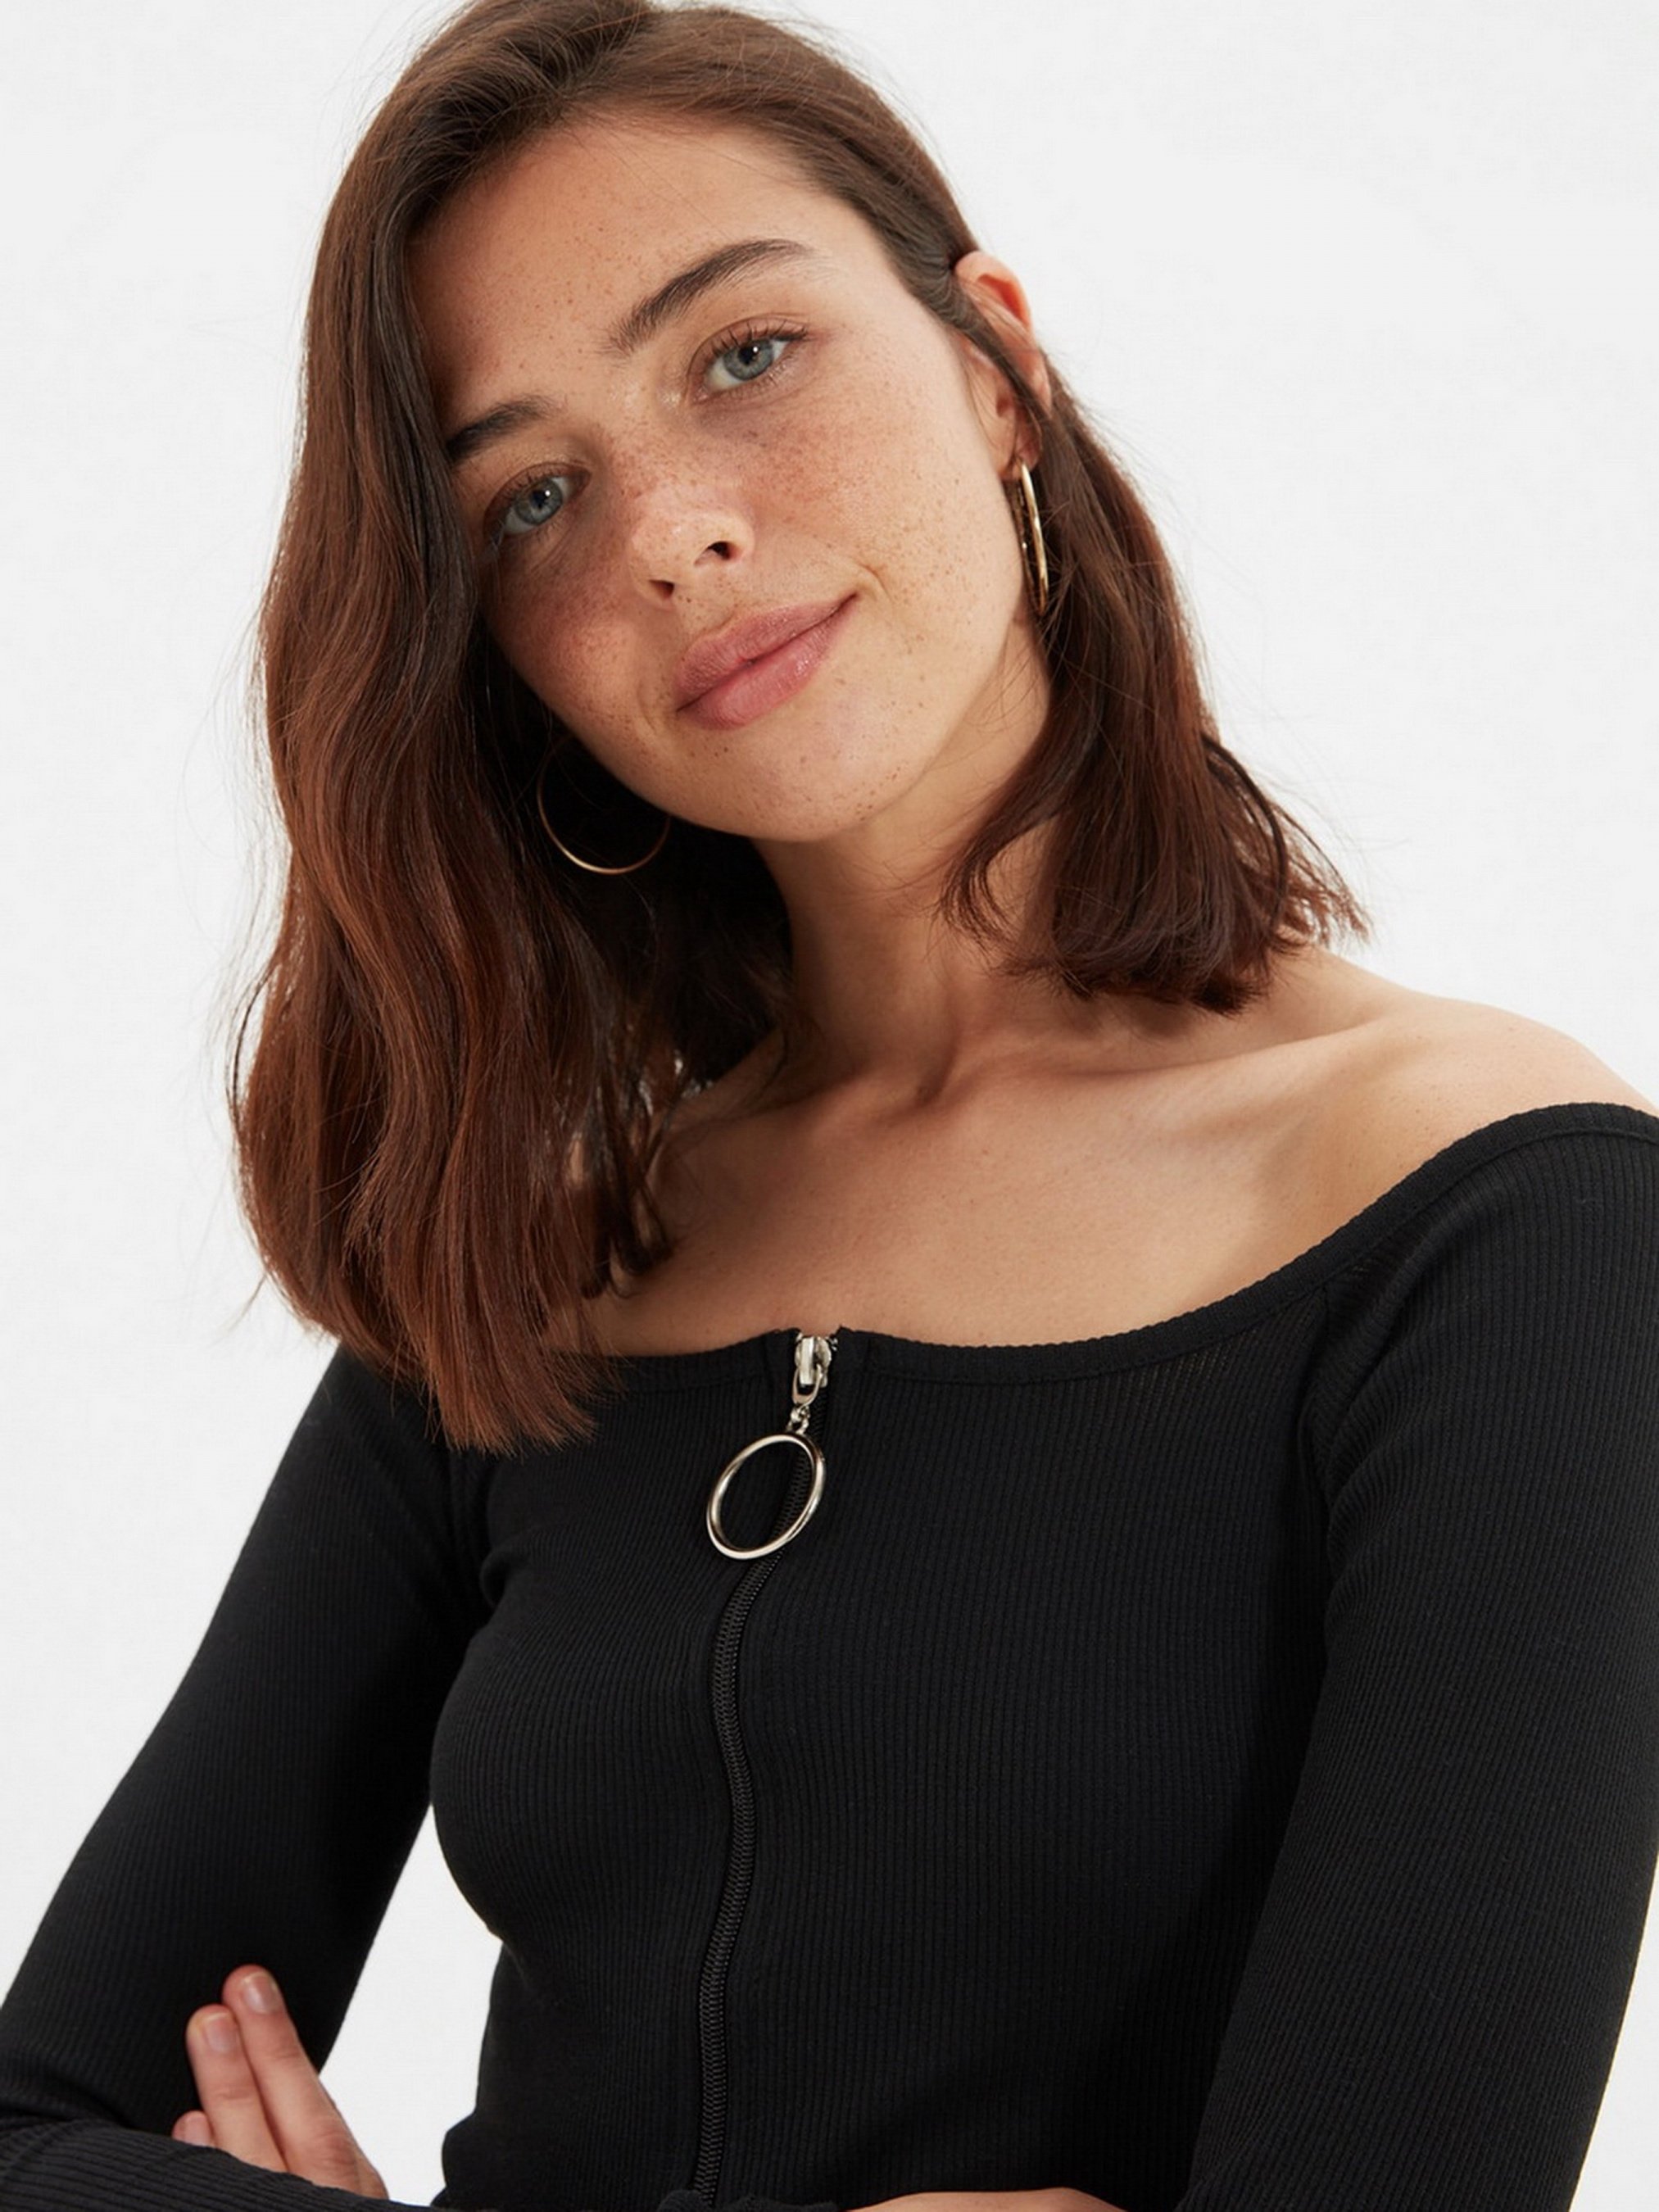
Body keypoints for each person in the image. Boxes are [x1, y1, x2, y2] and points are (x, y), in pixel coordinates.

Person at [2, 1, 1657, 2209]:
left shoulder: (1496, 1218)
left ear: (995, 366)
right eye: (532, 495)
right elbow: (33, 2131)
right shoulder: (540, 1269)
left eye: (744, 355)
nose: (671, 533)